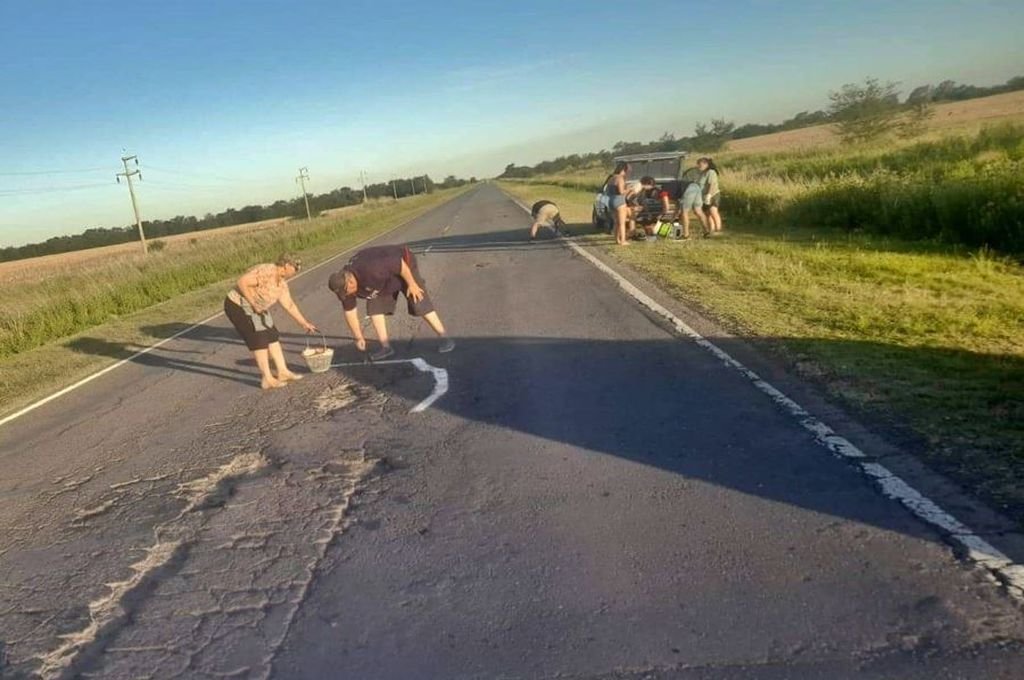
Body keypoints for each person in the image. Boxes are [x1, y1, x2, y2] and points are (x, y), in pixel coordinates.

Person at [327, 245, 454, 361]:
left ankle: (445, 338)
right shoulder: (343, 283)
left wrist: (412, 284)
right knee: (374, 307)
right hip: (381, 278)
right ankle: (386, 348)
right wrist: (358, 337)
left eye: (347, 292)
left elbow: (399, 264)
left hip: (404, 264)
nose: (347, 296)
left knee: (418, 301)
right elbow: (350, 311)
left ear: (350, 283)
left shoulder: (371, 268)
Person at [224, 253, 318, 390]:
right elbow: (242, 282)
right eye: (295, 267)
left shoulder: (282, 284)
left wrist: (304, 323)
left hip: (257, 306)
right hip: (238, 305)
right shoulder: (267, 272)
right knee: (259, 338)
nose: (297, 270)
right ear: (286, 265)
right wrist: (253, 303)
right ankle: (267, 379)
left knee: (272, 335)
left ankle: (283, 371)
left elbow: (289, 305)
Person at [675, 165, 710, 239]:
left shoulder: (665, 192)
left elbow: (676, 206)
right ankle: (707, 232)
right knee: (698, 211)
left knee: (684, 212)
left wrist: (674, 215)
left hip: (688, 189)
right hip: (696, 187)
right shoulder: (674, 184)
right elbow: (678, 204)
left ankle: (685, 235)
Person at [603, 161, 630, 246]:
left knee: (616, 222)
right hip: (619, 201)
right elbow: (621, 192)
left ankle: (617, 239)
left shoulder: (611, 178)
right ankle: (623, 240)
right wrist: (629, 189)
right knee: (622, 223)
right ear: (624, 170)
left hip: (611, 200)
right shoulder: (620, 178)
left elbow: (606, 190)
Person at [698, 157, 723, 233]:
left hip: (713, 195)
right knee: (707, 213)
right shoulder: (703, 173)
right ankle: (711, 230)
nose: (699, 166)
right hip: (704, 196)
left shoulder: (711, 172)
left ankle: (718, 230)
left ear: (706, 164)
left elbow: (711, 184)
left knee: (713, 211)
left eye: (700, 164)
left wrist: (709, 195)